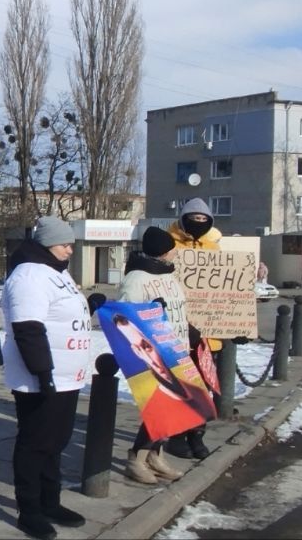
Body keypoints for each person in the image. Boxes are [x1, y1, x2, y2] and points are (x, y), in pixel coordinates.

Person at [0, 216, 93, 540]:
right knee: (35, 445)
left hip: (66, 378)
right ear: (46, 244)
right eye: (65, 243)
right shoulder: (29, 275)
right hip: (40, 378)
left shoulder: (56, 272)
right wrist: (43, 374)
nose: (70, 249)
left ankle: (50, 501)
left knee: (55, 444)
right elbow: (29, 328)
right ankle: (30, 510)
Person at [116, 227, 197, 484]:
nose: (175, 252)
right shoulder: (137, 279)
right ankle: (136, 458)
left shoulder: (169, 276)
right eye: (172, 248)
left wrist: (191, 336)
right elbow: (126, 316)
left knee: (174, 408)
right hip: (153, 354)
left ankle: (155, 454)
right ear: (164, 251)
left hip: (176, 349)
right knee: (160, 409)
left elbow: (177, 310)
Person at [166, 198, 222, 459]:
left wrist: (235, 325)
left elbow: (225, 291)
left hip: (208, 337)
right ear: (183, 218)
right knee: (180, 386)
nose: (198, 223)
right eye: (194, 218)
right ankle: (177, 437)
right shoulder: (169, 245)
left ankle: (197, 434)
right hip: (178, 333)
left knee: (203, 389)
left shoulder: (213, 248)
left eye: (203, 220)